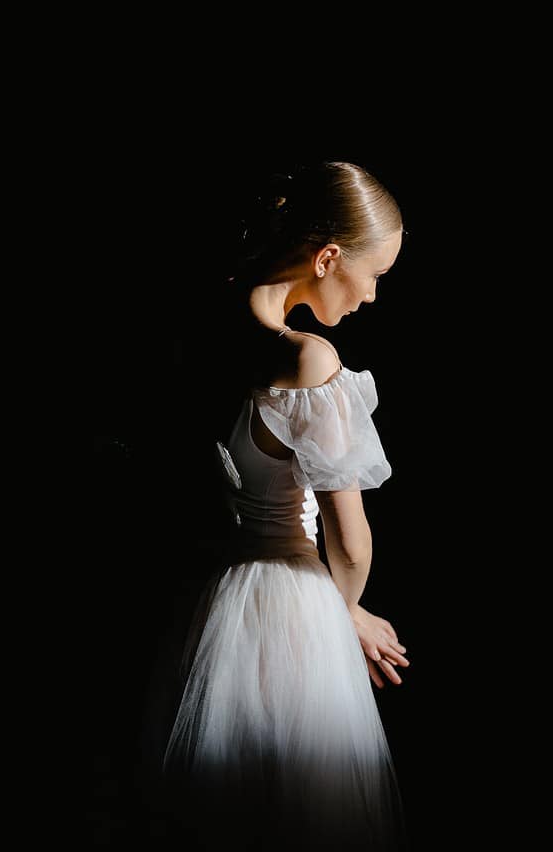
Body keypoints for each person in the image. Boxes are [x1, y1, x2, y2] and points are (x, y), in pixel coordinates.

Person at [154, 161, 409, 851]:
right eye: (374, 274)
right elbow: (348, 542)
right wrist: (347, 611)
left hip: (208, 608)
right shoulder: (307, 360)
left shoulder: (195, 337)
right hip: (292, 608)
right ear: (327, 258)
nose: (372, 296)